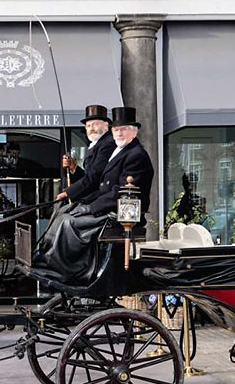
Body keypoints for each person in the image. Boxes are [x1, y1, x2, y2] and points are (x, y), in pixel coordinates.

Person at [34, 106, 154, 285]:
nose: (119, 133)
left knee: (69, 221)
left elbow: (119, 193)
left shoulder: (136, 155)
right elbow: (102, 186)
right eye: (117, 130)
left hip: (119, 215)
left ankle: (67, 269)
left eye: (124, 129)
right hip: (108, 206)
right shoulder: (121, 150)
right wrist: (83, 204)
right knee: (66, 213)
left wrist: (90, 207)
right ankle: (48, 258)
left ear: (134, 132)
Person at [58, 104, 115, 202]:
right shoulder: (97, 144)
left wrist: (69, 192)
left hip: (102, 199)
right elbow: (88, 176)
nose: (91, 128)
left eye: (95, 124)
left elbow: (95, 176)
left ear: (106, 126)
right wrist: (74, 168)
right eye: (88, 126)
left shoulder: (108, 144)